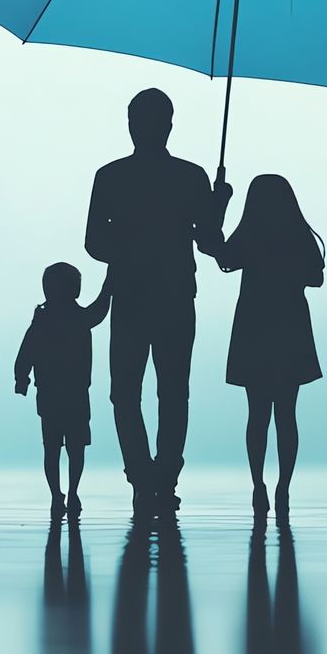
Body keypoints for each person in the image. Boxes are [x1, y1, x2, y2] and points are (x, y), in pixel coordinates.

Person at [85, 88, 229, 515]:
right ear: (169, 123)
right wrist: (217, 203)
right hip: (174, 295)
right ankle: (163, 478)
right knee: (172, 392)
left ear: (132, 124)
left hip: (131, 294)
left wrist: (129, 249)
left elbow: (95, 242)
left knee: (127, 394)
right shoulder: (190, 176)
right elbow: (208, 242)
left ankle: (144, 478)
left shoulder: (110, 176)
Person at [215, 174, 325, 521]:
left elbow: (223, 258)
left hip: (254, 326)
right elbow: (316, 277)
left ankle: (258, 485)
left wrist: (219, 206)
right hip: (290, 327)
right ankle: (283, 488)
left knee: (258, 415)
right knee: (286, 415)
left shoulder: (250, 234)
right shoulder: (298, 237)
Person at [14, 262, 112, 517]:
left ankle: (60, 495)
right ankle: (68, 493)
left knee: (54, 449)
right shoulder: (75, 319)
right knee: (73, 449)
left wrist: (21, 380)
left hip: (51, 397)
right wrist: (108, 287)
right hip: (73, 397)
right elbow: (99, 311)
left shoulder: (43, 322)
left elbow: (24, 355)